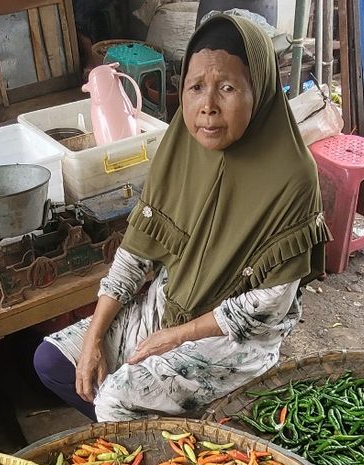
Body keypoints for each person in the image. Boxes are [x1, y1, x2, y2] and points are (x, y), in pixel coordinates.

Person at [34, 11, 328, 421]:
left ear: (258, 89)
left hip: (235, 337)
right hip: (172, 301)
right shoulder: (180, 148)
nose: (207, 107)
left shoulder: (291, 177)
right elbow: (136, 253)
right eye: (195, 87)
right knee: (53, 361)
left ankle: (165, 445)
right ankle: (166, 427)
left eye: (227, 87)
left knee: (113, 401)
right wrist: (95, 336)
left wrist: (175, 337)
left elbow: (269, 305)